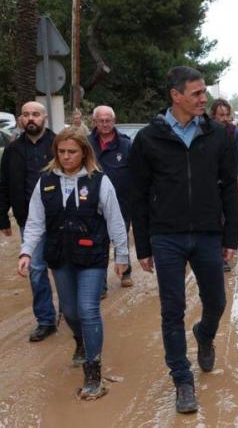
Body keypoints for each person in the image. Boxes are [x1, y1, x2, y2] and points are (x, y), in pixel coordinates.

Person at [129, 66, 238, 413]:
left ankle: (205, 334)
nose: (203, 98)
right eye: (196, 93)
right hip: (166, 236)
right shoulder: (148, 139)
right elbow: (138, 194)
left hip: (208, 233)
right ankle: (182, 380)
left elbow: (229, 192)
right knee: (171, 310)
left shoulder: (218, 135)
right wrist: (143, 245)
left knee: (217, 302)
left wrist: (231, 236)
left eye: (204, 92)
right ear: (175, 95)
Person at [18, 128, 129, 400]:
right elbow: (34, 222)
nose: (66, 157)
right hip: (59, 256)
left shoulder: (99, 182)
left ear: (84, 153)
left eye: (72, 152)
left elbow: (115, 220)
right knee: (68, 310)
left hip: (91, 256)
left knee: (88, 309)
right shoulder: (45, 183)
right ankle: (80, 340)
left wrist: (122, 256)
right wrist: (26, 252)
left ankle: (93, 371)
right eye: (61, 152)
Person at [0, 101, 58, 342]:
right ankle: (45, 320)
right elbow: (3, 184)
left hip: (61, 218)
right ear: (20, 119)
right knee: (36, 269)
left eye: (35, 114)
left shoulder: (59, 144)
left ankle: (73, 313)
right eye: (26, 115)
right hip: (29, 221)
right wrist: (2, 216)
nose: (30, 118)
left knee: (65, 266)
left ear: (44, 117)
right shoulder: (12, 150)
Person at [89, 106, 133, 290]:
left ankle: (126, 272)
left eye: (108, 120)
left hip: (122, 201)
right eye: (101, 120)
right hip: (92, 202)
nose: (105, 124)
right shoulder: (86, 144)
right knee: (97, 241)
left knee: (120, 236)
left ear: (114, 121)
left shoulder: (126, 144)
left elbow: (135, 173)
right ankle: (101, 283)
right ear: (95, 122)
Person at [209, 99, 238, 196]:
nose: (225, 119)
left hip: (230, 180)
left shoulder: (235, 132)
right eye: (221, 115)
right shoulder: (206, 132)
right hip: (210, 182)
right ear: (213, 115)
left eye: (227, 115)